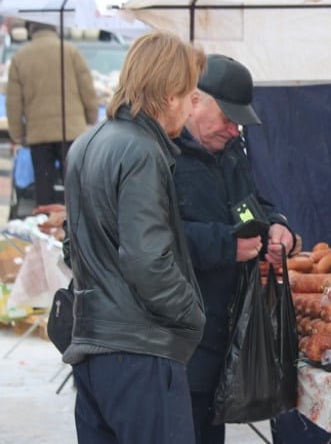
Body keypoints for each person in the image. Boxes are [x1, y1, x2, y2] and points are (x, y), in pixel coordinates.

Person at [62, 31, 207, 444]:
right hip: (138, 353)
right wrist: (193, 316)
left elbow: (73, 248)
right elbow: (148, 261)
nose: (192, 103)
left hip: (94, 348)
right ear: (167, 95)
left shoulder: (86, 143)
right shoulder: (141, 150)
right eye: (190, 94)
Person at [172, 53, 296, 444]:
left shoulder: (231, 152)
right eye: (226, 117)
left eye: (238, 121)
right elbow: (155, 237)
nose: (232, 128)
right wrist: (226, 245)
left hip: (222, 340)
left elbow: (249, 205)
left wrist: (277, 227)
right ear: (194, 100)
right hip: (178, 342)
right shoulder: (162, 155)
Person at [5, 21, 98, 206]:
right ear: (54, 28)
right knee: (74, 186)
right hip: (71, 132)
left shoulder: (20, 57)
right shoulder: (71, 51)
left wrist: (17, 134)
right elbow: (88, 90)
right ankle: (74, 227)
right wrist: (91, 118)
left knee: (43, 185)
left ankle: (45, 225)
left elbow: (13, 103)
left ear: (31, 29)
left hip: (38, 134)